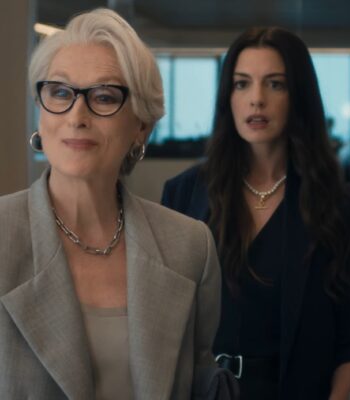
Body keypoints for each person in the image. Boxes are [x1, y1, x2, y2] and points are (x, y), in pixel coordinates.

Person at [0, 9, 221, 399]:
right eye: (60, 92)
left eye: (103, 97)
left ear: (141, 126)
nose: (77, 116)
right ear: (40, 110)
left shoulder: (190, 247)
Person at [162, 27, 350, 400]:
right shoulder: (183, 195)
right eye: (242, 84)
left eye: (275, 84)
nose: (256, 99)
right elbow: (161, 324)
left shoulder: (336, 208)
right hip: (205, 392)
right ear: (228, 97)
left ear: (297, 96)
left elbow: (349, 343)